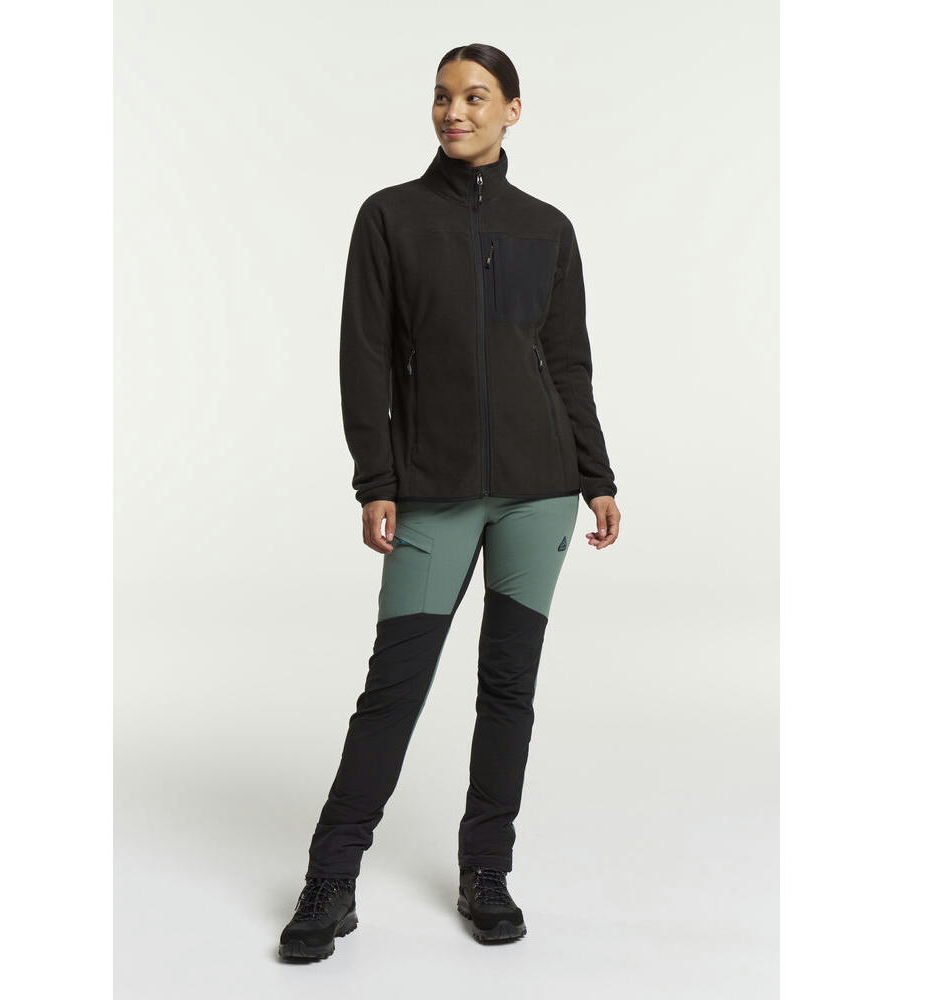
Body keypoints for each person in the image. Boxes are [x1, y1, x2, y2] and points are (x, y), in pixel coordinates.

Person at [279, 43, 621, 962]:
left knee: (509, 688)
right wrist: (377, 480)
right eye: (441, 97)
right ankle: (331, 879)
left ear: (514, 109)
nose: (454, 112)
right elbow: (364, 357)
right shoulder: (390, 217)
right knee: (394, 688)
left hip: (540, 490)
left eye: (474, 96)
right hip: (432, 488)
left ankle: (486, 871)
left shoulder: (546, 227)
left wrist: (596, 475)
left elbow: (567, 361)